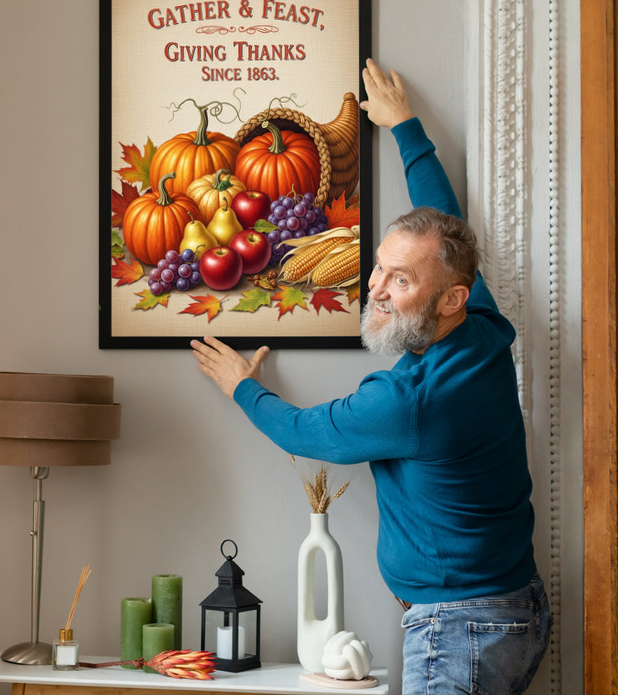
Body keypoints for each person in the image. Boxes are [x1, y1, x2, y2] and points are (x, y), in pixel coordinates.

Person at [190, 59, 551, 694]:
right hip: (509, 612)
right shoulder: (484, 332)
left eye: (399, 281)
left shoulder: (409, 401)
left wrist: (241, 385)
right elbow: (443, 226)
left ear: (449, 300)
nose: (375, 291)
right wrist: (406, 127)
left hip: (461, 632)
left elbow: (307, 432)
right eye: (379, 268)